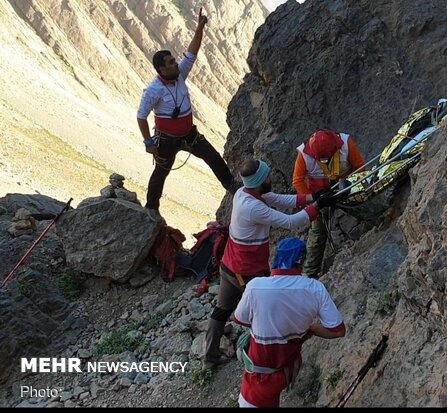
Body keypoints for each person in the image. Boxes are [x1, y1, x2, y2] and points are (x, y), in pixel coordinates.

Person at [203, 159, 338, 368]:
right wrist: (317, 206)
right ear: (260, 180)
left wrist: (314, 197)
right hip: (247, 272)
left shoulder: (244, 193)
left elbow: (281, 199)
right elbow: (290, 222)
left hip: (229, 265)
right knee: (266, 308)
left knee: (221, 310)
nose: (271, 178)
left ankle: (210, 358)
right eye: (268, 176)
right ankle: (266, 355)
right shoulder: (253, 207)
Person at [137, 7, 235, 217]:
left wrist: (200, 28)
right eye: (171, 62)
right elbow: (141, 116)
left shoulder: (179, 74)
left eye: (174, 60)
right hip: (166, 140)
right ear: (162, 70)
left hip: (189, 134)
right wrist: (148, 143)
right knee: (161, 172)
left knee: (213, 157)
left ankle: (232, 187)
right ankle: (151, 208)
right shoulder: (153, 90)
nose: (176, 63)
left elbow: (192, 53)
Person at [232, 237, 346, 408]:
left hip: (261, 375)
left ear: (276, 259)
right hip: (287, 370)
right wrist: (312, 329)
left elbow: (239, 318)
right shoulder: (315, 289)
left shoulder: (256, 286)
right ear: (301, 262)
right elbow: (338, 331)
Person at [292, 128, 365, 278]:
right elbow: (298, 181)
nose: (323, 161)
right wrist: (313, 202)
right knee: (318, 233)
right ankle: (310, 273)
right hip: (319, 198)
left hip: (345, 189)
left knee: (363, 208)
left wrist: (346, 186)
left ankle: (378, 221)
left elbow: (361, 168)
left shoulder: (346, 143)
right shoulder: (304, 155)